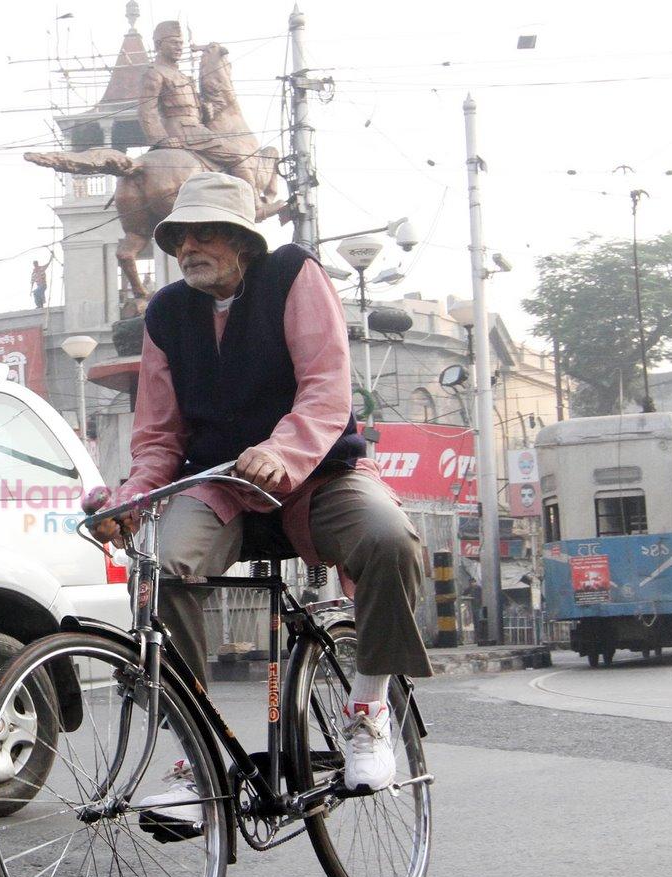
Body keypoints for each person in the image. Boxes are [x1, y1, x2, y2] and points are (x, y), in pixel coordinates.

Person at [94, 173, 432, 834]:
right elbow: (160, 436)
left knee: (390, 539)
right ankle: (195, 761)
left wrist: (284, 450)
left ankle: (367, 712)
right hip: (221, 487)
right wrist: (133, 499)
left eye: (206, 233)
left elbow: (327, 388)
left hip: (316, 479)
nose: (190, 246)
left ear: (244, 243)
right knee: (157, 561)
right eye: (181, 235)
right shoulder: (165, 314)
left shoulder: (293, 276)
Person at [137, 21, 261, 194]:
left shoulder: (181, 76)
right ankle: (255, 204)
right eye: (174, 42)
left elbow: (190, 107)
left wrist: (205, 109)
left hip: (196, 127)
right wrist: (161, 138)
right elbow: (146, 110)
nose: (179, 47)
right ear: (159, 45)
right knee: (238, 156)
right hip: (184, 132)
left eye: (180, 43)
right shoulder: (155, 73)